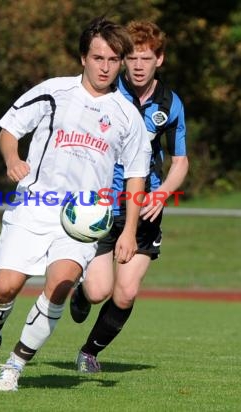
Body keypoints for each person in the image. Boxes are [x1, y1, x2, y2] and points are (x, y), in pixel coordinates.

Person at [0, 16, 152, 392]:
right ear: (83, 57)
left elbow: (136, 176)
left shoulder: (128, 115)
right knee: (5, 288)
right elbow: (9, 130)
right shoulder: (53, 92)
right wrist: (13, 160)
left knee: (61, 285)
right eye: (98, 58)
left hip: (82, 220)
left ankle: (14, 366)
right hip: (34, 206)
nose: (105, 67)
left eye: (113, 60)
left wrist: (128, 231)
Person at [69, 20, 189, 372]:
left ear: (160, 60)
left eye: (146, 58)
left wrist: (163, 193)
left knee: (126, 293)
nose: (138, 65)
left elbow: (180, 161)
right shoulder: (106, 93)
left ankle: (89, 352)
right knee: (97, 291)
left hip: (144, 205)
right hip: (103, 203)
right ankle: (80, 291)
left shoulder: (170, 103)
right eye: (132, 58)